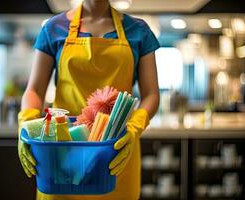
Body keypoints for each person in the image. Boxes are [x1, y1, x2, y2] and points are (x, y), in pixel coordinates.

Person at [18, 0, 160, 199]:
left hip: (115, 150)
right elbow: (34, 90)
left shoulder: (138, 30)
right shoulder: (54, 28)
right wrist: (26, 125)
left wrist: (135, 128)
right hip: (62, 152)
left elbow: (151, 94)